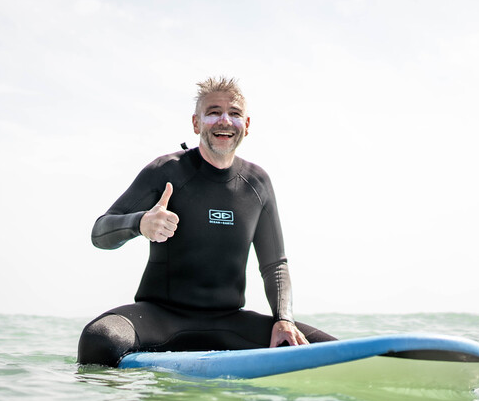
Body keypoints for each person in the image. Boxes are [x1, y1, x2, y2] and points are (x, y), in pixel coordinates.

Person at [78, 77, 335, 366]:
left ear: (247, 125)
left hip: (228, 322)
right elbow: (100, 233)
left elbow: (274, 264)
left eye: (234, 114)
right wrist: (141, 223)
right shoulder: (166, 171)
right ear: (196, 123)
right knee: (99, 339)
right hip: (160, 318)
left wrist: (283, 319)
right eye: (213, 112)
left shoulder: (257, 183)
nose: (224, 121)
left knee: (333, 351)